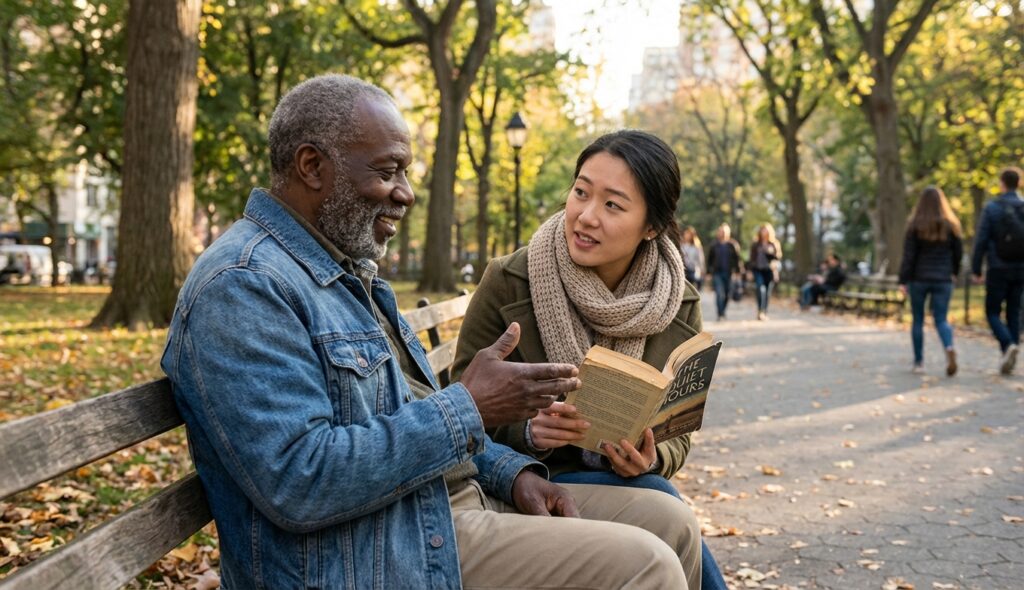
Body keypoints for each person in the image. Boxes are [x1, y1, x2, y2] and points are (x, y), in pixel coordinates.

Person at [161, 75, 703, 589]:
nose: (406, 193)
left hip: (441, 503)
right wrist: (470, 406)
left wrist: (513, 474)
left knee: (666, 519)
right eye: (388, 170)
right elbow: (299, 482)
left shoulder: (343, 275)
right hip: (379, 549)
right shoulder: (244, 287)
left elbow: (415, 410)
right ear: (311, 166)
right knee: (645, 564)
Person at [452, 130, 727, 590]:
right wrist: (527, 432)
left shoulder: (677, 302)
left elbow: (681, 428)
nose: (585, 215)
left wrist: (652, 456)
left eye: (613, 205)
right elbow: (457, 398)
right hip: (534, 478)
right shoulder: (510, 281)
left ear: (652, 226)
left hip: (625, 480)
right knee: (663, 505)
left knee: (656, 491)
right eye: (580, 192)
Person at [897, 186, 963, 376]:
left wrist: (903, 280)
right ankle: (949, 346)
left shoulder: (915, 224)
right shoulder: (951, 224)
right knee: (941, 319)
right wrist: (954, 272)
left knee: (918, 320)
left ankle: (919, 363)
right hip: (943, 278)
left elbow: (909, 255)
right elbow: (958, 254)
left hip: (919, 278)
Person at [971, 166, 1024, 375]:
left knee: (992, 311)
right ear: (1018, 183)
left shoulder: (992, 208)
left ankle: (1006, 344)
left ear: (1002, 183)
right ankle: (1009, 350)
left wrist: (976, 268)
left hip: (997, 267)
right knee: (1014, 311)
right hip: (1021, 268)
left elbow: (982, 239)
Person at [706, 223, 743, 320]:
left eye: (724, 232)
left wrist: (738, 272)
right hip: (717, 273)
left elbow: (737, 260)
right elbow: (709, 260)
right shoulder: (714, 245)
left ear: (728, 233)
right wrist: (708, 273)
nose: (722, 233)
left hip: (729, 272)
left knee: (727, 294)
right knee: (719, 293)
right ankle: (720, 314)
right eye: (721, 231)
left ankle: (723, 311)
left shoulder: (733, 245)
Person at [748, 223, 782, 320]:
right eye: (762, 230)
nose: (764, 232)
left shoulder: (774, 243)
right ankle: (760, 310)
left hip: (769, 270)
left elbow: (778, 257)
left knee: (767, 292)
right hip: (758, 269)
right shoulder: (756, 244)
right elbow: (751, 258)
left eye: (766, 230)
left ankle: (765, 311)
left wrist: (771, 253)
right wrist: (750, 271)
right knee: (760, 289)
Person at [680, 225, 706, 291]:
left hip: (693, 269)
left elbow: (700, 258)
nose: (686, 235)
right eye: (686, 234)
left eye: (688, 234)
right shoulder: (681, 245)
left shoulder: (696, 246)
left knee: (692, 286)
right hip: (683, 269)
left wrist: (702, 269)